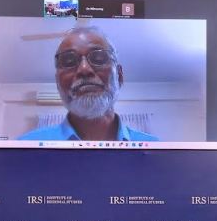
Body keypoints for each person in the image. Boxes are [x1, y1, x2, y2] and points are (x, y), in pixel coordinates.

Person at [19, 26, 158, 141]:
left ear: (119, 76)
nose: (84, 69)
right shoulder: (25, 147)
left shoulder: (154, 148)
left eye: (98, 58)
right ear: (58, 83)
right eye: (68, 62)